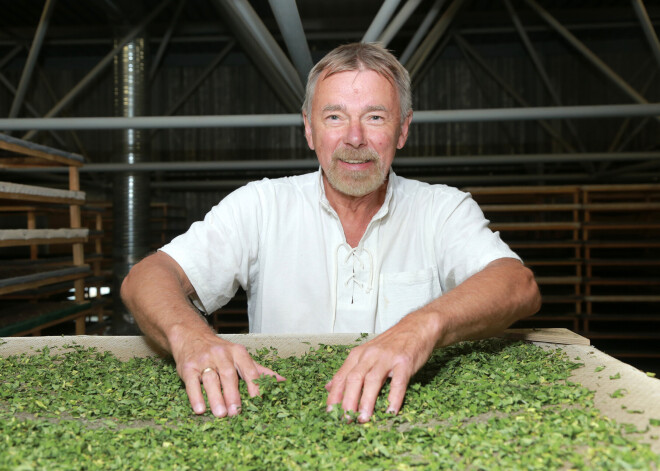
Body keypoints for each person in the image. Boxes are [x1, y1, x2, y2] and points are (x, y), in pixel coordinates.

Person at [121, 42, 541, 423]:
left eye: (375, 117)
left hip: (406, 420)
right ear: (309, 128)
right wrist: (191, 337)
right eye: (334, 117)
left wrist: (420, 328)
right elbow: (146, 277)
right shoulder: (261, 205)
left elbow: (517, 285)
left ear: (403, 129)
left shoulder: (442, 209)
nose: (354, 138)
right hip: (278, 423)